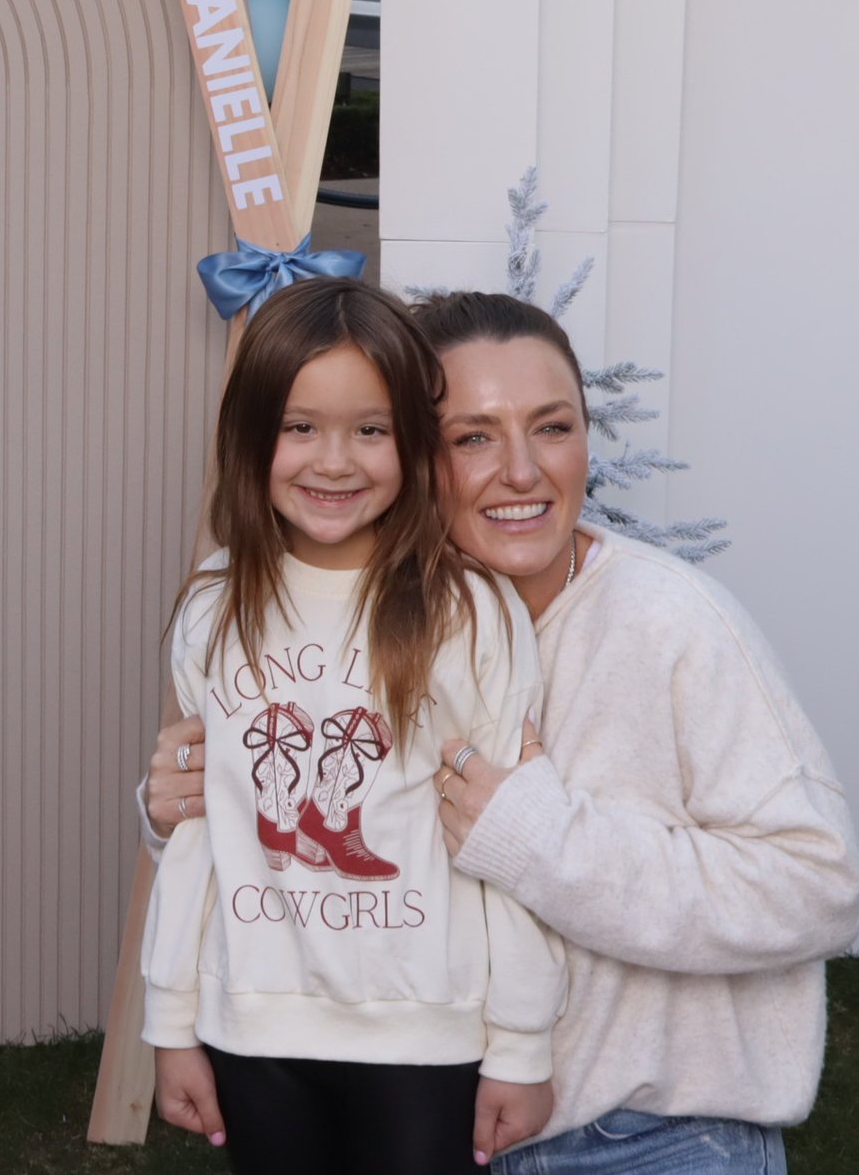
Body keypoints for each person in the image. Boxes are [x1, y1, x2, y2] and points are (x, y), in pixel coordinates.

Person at [147, 289, 859, 1175]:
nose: (522, 470)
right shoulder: (330, 615)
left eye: (552, 427)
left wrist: (535, 838)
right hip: (428, 1112)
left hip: (637, 1139)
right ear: (415, 451)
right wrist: (182, 801)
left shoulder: (671, 622)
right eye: (472, 436)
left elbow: (818, 883)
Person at [143, 278, 568, 1175]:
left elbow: (507, 846)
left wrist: (523, 1044)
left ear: (413, 443)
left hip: (426, 1037)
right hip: (254, 1023)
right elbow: (195, 837)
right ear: (249, 436)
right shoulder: (214, 610)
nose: (334, 460)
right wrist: (170, 1021)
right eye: (300, 426)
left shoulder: (471, 612)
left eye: (370, 430)